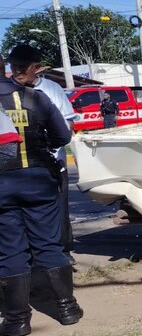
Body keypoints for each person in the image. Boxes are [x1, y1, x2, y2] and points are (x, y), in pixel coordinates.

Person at [1, 50, 83, 336]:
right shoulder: (35, 97)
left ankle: (16, 320)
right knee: (48, 244)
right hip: (39, 181)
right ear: (6, 68)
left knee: (10, 250)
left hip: (2, 187)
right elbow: (63, 136)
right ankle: (67, 308)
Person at [7, 43, 78, 260]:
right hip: (13, 169)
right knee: (16, 221)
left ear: (36, 67)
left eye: (23, 67)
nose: (17, 70)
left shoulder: (51, 89)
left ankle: (62, 254)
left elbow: (68, 125)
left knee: (57, 214)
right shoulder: (5, 92)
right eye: (14, 66)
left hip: (50, 165)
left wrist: (50, 144)